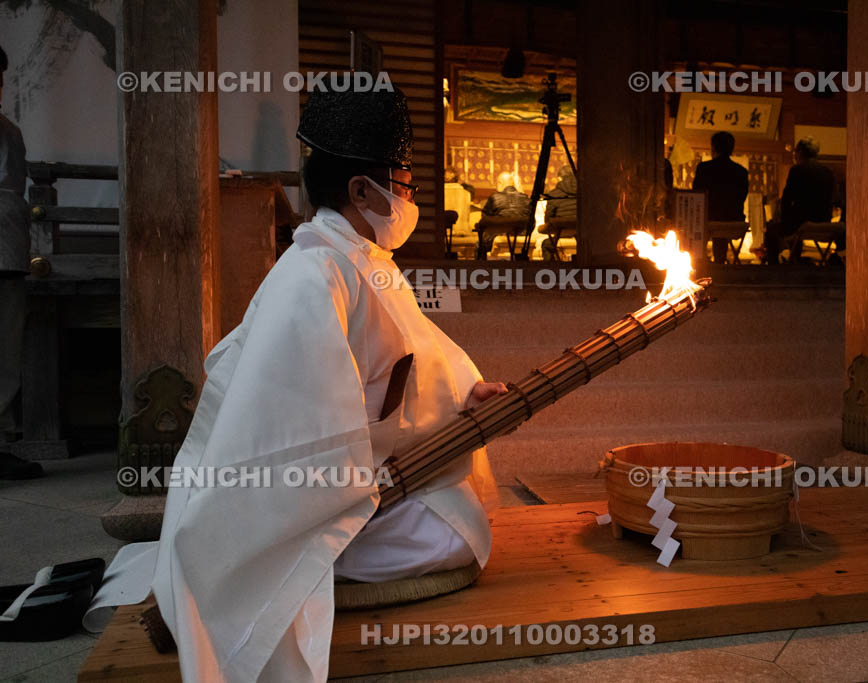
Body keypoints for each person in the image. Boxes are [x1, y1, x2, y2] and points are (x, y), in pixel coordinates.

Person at [86, 86, 507, 682]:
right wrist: (348, 489)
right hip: (296, 495)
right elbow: (294, 426)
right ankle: (274, 563)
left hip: (361, 475)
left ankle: (311, 554)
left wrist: (466, 395)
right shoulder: (312, 273)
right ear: (362, 189)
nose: (411, 199)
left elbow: (420, 360)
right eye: (405, 184)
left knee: (461, 514)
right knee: (452, 538)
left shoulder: (363, 257)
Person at [0, 44, 42, 480]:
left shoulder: (8, 130)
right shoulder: (6, 131)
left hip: (6, 249)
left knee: (5, 351)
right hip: (4, 246)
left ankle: (2, 441)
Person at [762, 136, 835, 264]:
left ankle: (773, 268)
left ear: (800, 152)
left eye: (795, 152)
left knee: (771, 229)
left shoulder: (797, 170)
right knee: (794, 227)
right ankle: (794, 259)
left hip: (801, 222)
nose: (794, 155)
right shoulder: (828, 172)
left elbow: (787, 198)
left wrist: (782, 218)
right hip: (824, 222)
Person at [692, 132, 748, 263]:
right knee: (721, 217)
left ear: (714, 147)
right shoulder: (741, 171)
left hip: (709, 219)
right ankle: (719, 261)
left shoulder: (704, 168)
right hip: (734, 219)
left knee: (703, 219)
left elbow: (697, 194)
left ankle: (698, 261)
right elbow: (742, 196)